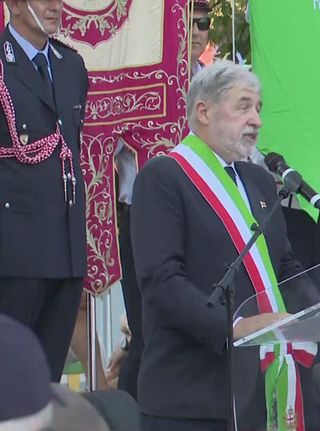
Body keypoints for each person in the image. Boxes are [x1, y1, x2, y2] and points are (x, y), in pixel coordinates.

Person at [131, 60, 320, 431]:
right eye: (243, 106)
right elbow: (161, 282)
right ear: (203, 111)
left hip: (259, 391)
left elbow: (284, 266)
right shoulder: (163, 177)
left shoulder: (259, 181)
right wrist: (235, 326)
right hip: (192, 392)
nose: (256, 120)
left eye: (258, 108)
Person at [112, 0, 214, 398]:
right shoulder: (135, 78)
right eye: (189, 21)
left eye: (204, 23)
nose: (197, 31)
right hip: (145, 218)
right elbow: (107, 144)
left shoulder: (214, 85)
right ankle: (134, 413)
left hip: (204, 220)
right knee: (147, 330)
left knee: (195, 326)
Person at [0, 0, 89, 383]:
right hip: (15, 254)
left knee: (45, 382)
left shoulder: (71, 66)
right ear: (15, 5)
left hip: (65, 249)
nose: (55, 6)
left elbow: (70, 146)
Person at [189, 0, 212, 77]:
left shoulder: (209, 79)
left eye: (203, 23)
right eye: (187, 23)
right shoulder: (159, 76)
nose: (195, 32)